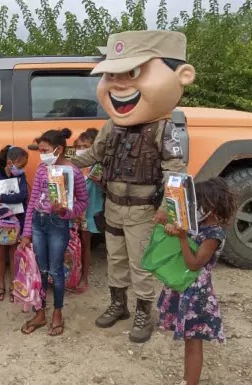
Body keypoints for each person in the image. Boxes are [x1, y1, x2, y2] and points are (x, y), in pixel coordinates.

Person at [71, 30, 195, 343]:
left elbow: (175, 172)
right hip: (113, 206)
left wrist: (169, 210)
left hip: (142, 210)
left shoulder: (162, 129)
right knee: (115, 259)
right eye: (113, 74)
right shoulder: (111, 126)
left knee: (140, 264)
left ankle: (143, 312)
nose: (120, 83)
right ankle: (118, 304)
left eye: (132, 72)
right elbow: (94, 154)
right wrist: (65, 163)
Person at [157, 178, 235, 385]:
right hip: (186, 288)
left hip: (197, 294)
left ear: (211, 205)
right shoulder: (198, 226)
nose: (194, 207)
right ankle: (187, 383)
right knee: (189, 341)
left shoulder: (214, 234)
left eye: (198, 203)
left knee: (194, 342)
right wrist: (168, 224)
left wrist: (181, 236)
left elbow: (194, 264)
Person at [19, 129, 88, 336]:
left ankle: (57, 312)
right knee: (39, 270)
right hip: (39, 223)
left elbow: (83, 203)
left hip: (58, 224)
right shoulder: (41, 169)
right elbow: (33, 201)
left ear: (59, 149)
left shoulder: (74, 172)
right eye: (40, 150)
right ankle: (40, 313)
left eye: (45, 150)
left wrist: (66, 212)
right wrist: (26, 232)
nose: (42, 154)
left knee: (56, 270)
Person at [0, 145, 29, 302]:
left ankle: (13, 285)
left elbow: (23, 195)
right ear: (10, 162)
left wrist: (2, 198)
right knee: (1, 253)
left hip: (16, 222)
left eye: (23, 166)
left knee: (13, 253)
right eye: (21, 165)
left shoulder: (20, 177)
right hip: (1, 223)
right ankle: (1, 285)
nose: (22, 169)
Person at [73, 128, 103, 290]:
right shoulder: (74, 165)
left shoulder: (98, 167)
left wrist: (99, 181)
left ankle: (84, 277)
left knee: (85, 243)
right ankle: (70, 274)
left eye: (85, 146)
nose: (80, 150)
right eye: (78, 146)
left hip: (88, 211)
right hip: (72, 210)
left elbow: (107, 189)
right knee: (71, 242)